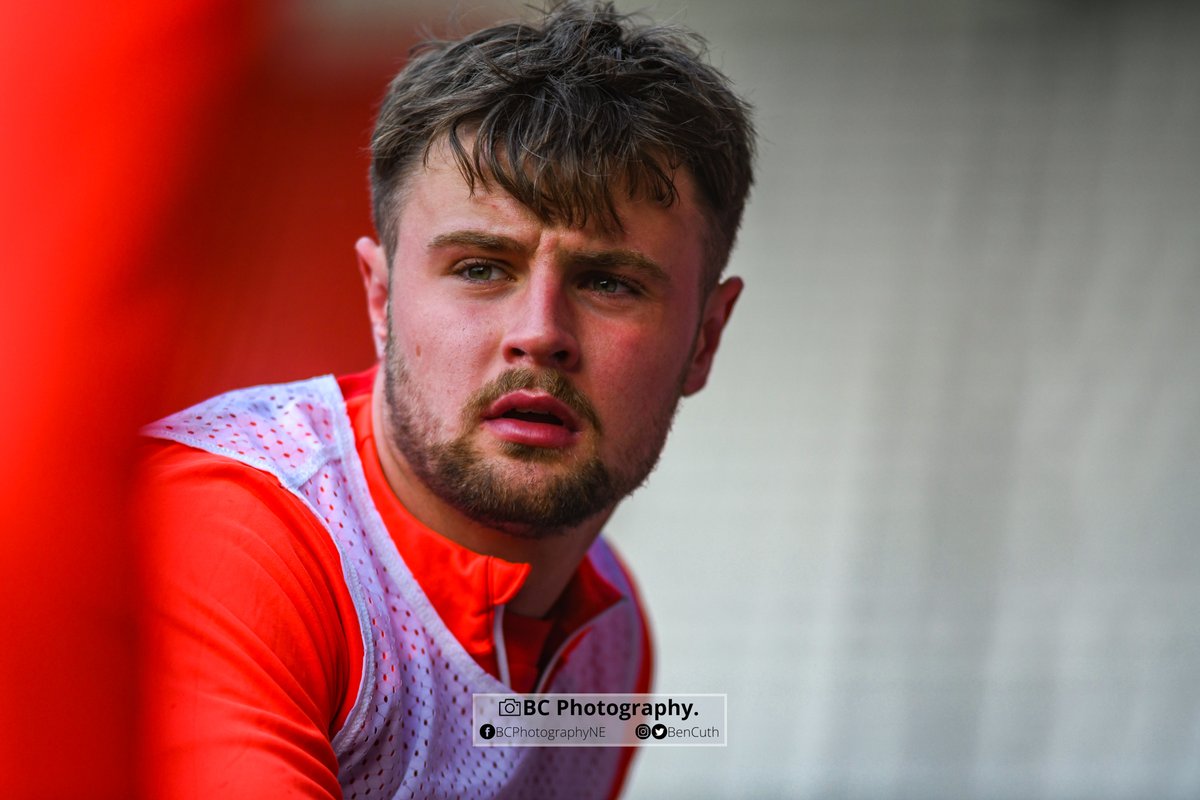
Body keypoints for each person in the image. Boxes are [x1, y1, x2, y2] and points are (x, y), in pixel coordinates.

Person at [138, 1, 754, 797]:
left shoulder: (610, 639)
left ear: (704, 340)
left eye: (607, 282)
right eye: (479, 268)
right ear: (381, 299)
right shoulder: (230, 533)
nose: (539, 334)